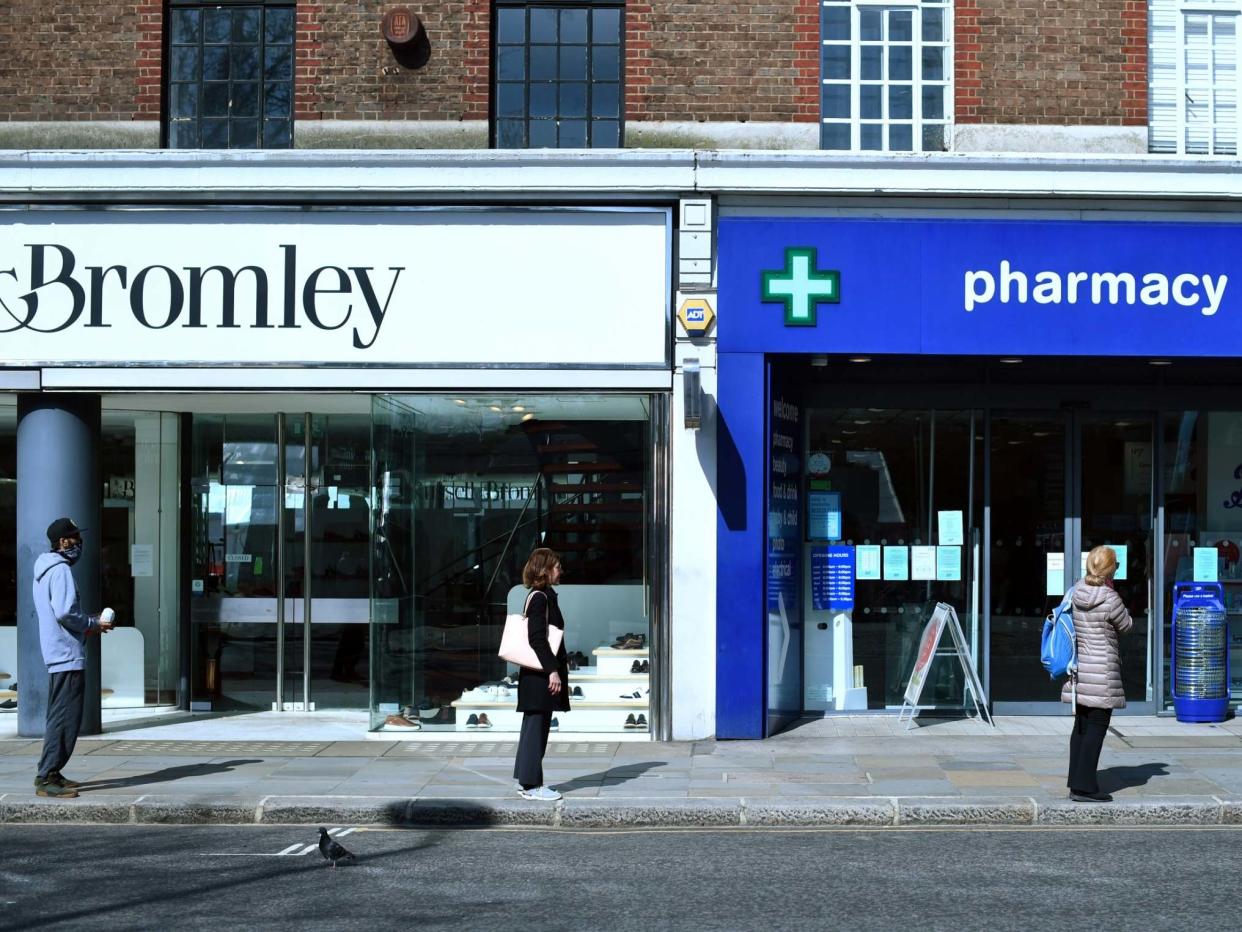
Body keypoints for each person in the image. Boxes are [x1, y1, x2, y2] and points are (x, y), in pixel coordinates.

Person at [32, 517, 114, 799]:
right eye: (75, 538)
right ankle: (46, 777)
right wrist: (93, 625)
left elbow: (62, 612)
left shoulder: (44, 570)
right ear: (64, 542)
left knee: (59, 715)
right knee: (65, 718)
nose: (80, 543)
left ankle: (51, 771)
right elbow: (65, 612)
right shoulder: (61, 571)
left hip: (56, 650)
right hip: (66, 653)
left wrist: (87, 620)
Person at [1064, 544, 1132, 803]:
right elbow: (1126, 625)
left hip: (1082, 669)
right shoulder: (1109, 598)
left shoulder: (1078, 590)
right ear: (1109, 569)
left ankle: (1075, 780)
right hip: (1102, 670)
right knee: (1097, 727)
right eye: (1116, 564)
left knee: (1081, 724)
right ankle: (1084, 787)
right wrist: (1113, 592)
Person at [513, 547, 569, 801]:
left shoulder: (543, 596)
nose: (560, 571)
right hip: (539, 675)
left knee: (534, 729)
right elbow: (536, 638)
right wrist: (552, 671)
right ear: (544, 570)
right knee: (536, 730)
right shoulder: (539, 598)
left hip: (537, 674)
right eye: (556, 567)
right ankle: (531, 786)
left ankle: (528, 782)